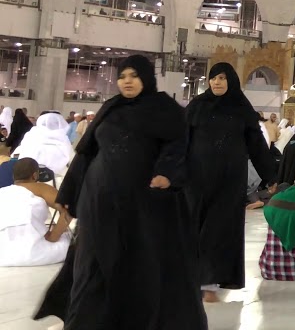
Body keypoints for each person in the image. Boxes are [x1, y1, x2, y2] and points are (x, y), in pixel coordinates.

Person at [35, 55, 206, 329]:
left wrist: (166, 174)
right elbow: (86, 153)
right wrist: (69, 193)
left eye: (134, 76)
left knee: (140, 264)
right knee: (93, 261)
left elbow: (179, 145)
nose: (127, 81)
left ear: (147, 78)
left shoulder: (166, 109)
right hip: (99, 199)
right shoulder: (110, 108)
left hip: (144, 204)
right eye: (122, 76)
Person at [185, 62, 278, 302]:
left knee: (220, 229)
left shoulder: (241, 108)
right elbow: (180, 140)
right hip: (197, 179)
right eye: (214, 78)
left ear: (232, 81)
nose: (217, 82)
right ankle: (195, 278)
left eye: (222, 78)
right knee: (196, 227)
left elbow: (256, 145)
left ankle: (211, 282)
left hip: (229, 181)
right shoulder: (197, 106)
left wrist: (270, 176)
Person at [0, 157, 70, 267]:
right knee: (72, 241)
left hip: (3, 256)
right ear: (35, 175)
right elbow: (68, 208)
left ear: (13, 176)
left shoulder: (2, 192)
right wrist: (53, 236)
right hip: (35, 254)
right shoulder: (40, 188)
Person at [13, 111, 75, 176]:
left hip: (30, 178)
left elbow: (17, 155)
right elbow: (72, 160)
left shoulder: (31, 135)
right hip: (57, 180)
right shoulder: (63, 138)